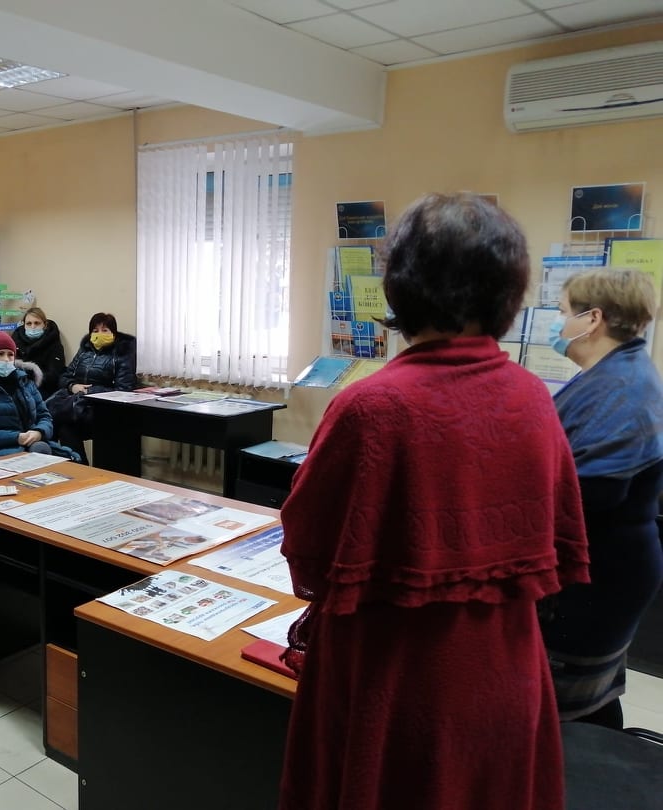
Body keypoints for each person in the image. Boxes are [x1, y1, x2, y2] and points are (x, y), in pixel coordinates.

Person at [277, 193, 590, 810]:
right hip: (505, 668)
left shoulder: (371, 407)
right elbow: (558, 539)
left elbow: (307, 547)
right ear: (508, 291)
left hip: (392, 674)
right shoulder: (533, 397)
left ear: (402, 285)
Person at [541, 268, 663, 729]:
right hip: (607, 561)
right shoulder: (612, 373)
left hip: (600, 570)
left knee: (570, 703)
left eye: (561, 312)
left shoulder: (621, 388)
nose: (557, 322)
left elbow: (591, 493)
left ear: (592, 319)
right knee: (589, 698)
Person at [0, 330, 76, 460]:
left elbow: (45, 416)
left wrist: (39, 432)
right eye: (0, 354)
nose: (6, 359)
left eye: (10, 354)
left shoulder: (25, 381)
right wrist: (16, 438)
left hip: (32, 446)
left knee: (57, 456)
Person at [52, 312, 137, 460]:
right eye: (95, 331)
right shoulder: (84, 351)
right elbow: (65, 376)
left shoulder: (122, 353)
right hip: (78, 405)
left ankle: (80, 469)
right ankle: (76, 469)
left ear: (113, 333)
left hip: (103, 410)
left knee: (63, 423)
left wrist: (90, 391)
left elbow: (124, 390)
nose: (99, 334)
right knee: (60, 426)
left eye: (105, 330)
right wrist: (73, 386)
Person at [13, 306, 66, 396]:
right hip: (17, 388)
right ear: (24, 325)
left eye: (37, 323)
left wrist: (31, 376)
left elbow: (54, 376)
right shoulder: (16, 341)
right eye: (29, 323)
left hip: (43, 391)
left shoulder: (54, 345)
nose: (33, 327)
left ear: (45, 325)